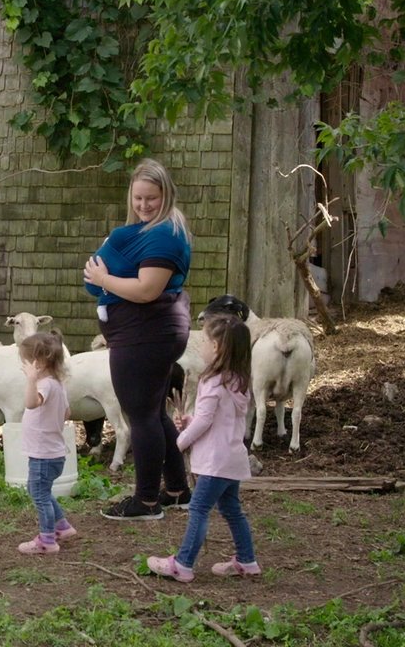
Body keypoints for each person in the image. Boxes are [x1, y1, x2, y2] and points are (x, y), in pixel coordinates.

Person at [83, 158, 193, 520]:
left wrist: (103, 279)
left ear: (167, 196)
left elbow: (146, 290)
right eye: (138, 198)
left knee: (140, 416)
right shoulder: (153, 231)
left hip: (146, 335)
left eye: (152, 199)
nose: (144, 206)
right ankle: (176, 490)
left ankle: (145, 502)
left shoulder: (164, 234)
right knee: (153, 413)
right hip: (149, 334)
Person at [147, 313, 260, 582]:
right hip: (232, 458)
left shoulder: (212, 381)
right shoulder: (237, 380)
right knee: (232, 509)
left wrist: (181, 440)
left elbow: (207, 420)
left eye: (206, 341)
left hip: (214, 462)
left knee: (198, 510)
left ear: (218, 348)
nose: (202, 346)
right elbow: (218, 418)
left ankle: (183, 564)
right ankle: (247, 560)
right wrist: (190, 421)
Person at [15, 332, 78, 555]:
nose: (24, 367)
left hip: (44, 454)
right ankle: (62, 526)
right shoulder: (58, 385)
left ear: (38, 363)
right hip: (53, 453)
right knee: (38, 489)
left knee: (39, 495)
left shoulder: (45, 385)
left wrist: (31, 380)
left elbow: (31, 404)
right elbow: (67, 412)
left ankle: (47, 540)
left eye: (25, 362)